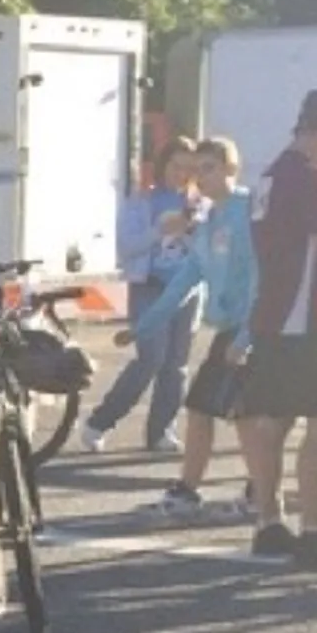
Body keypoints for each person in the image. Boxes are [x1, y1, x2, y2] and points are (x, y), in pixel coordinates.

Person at [116, 137, 259, 521]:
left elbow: (263, 278)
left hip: (253, 329)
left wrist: (247, 337)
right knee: (204, 408)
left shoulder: (249, 213)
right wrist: (143, 326)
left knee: (245, 415)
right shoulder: (209, 220)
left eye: (208, 168)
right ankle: (191, 491)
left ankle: (259, 492)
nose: (200, 177)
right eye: (196, 170)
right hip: (229, 330)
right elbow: (185, 280)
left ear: (231, 169)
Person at [239, 90, 317, 568]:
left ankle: (268, 522)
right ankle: (313, 529)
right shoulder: (309, 178)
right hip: (307, 316)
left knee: (272, 422)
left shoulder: (271, 175)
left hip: (272, 313)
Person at [80, 137, 203, 454]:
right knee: (151, 358)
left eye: (188, 168)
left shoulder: (199, 203)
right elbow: (127, 247)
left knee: (176, 365)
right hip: (149, 285)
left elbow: (208, 251)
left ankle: (161, 431)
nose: (181, 174)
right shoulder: (141, 202)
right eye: (176, 166)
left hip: (187, 290)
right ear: (163, 165)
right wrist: (160, 231)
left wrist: (190, 232)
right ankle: (99, 422)